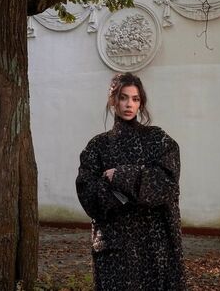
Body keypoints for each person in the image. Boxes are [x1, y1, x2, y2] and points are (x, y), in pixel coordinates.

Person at [76, 73, 186, 290]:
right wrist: (134, 191)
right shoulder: (97, 146)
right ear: (113, 100)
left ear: (141, 103)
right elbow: (88, 193)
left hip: (154, 243)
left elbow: (167, 184)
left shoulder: (158, 139)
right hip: (115, 245)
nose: (129, 104)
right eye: (123, 97)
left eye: (135, 99)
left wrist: (120, 176)